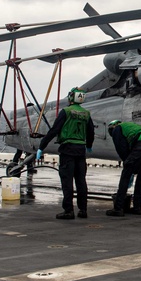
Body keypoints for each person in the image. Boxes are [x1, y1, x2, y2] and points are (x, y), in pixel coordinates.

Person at [36, 87, 94, 219]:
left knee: (67, 181)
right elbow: (91, 132)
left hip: (67, 149)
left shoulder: (66, 111)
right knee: (81, 181)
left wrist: (42, 146)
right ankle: (83, 210)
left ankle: (68, 210)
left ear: (71, 97)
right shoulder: (86, 113)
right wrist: (89, 146)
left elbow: (54, 130)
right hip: (81, 150)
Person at [105, 120, 141, 216]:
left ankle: (118, 208)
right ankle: (137, 208)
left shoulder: (117, 129)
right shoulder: (130, 126)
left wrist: (128, 165)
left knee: (125, 175)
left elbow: (122, 149)